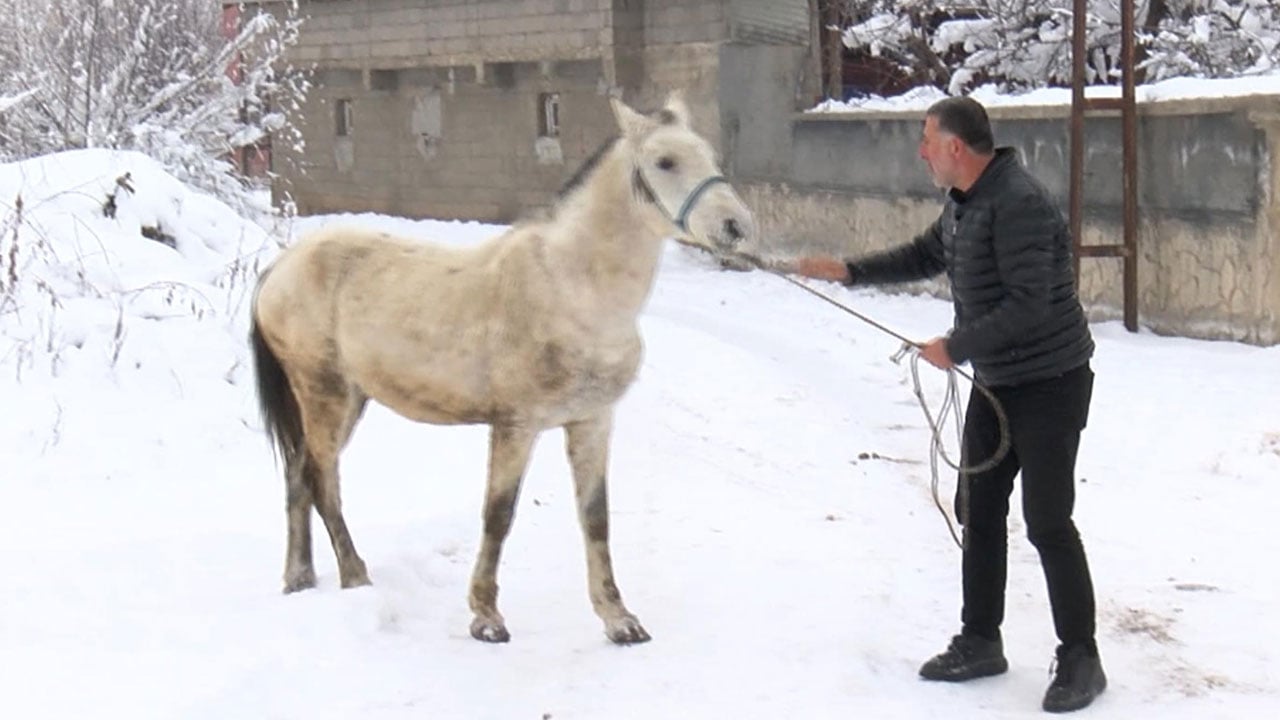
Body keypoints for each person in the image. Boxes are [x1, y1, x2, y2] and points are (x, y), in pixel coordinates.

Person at [787, 96, 1105, 714]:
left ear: (955, 147)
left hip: (1051, 383)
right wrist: (848, 271)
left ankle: (1081, 657)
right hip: (998, 383)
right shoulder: (964, 202)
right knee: (978, 508)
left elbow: (1030, 305)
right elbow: (924, 255)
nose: (921, 151)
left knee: (1047, 520)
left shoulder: (1018, 204)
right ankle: (980, 640)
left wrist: (954, 346)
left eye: (927, 139)